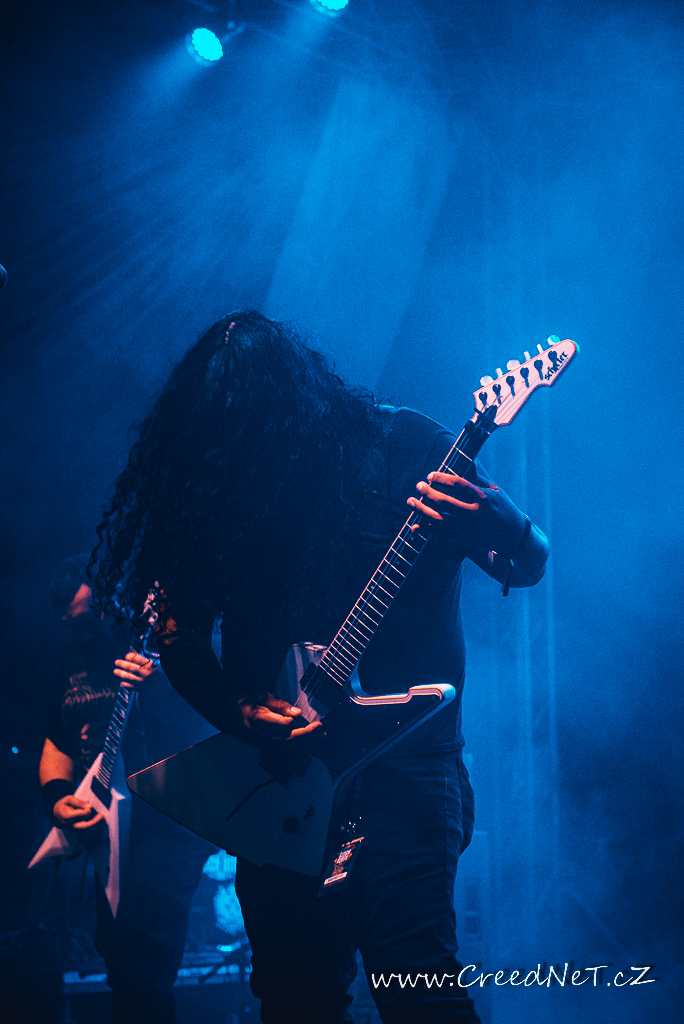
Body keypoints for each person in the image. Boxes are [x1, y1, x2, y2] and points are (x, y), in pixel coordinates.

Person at [90, 310, 548, 1024]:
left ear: (292, 415)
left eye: (251, 438)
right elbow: (179, 636)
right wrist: (237, 709)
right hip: (282, 779)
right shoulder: (213, 492)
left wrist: (506, 522)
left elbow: (526, 564)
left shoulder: (405, 447)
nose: (238, 459)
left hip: (405, 767)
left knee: (418, 984)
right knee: (295, 998)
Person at [38, 556, 215, 1024]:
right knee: (119, 964)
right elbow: (57, 743)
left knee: (145, 965)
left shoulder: (157, 642)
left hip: (165, 819)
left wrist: (162, 683)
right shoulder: (73, 661)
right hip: (107, 826)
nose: (90, 622)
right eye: (75, 620)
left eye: (94, 610)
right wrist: (57, 799)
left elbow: (213, 714)